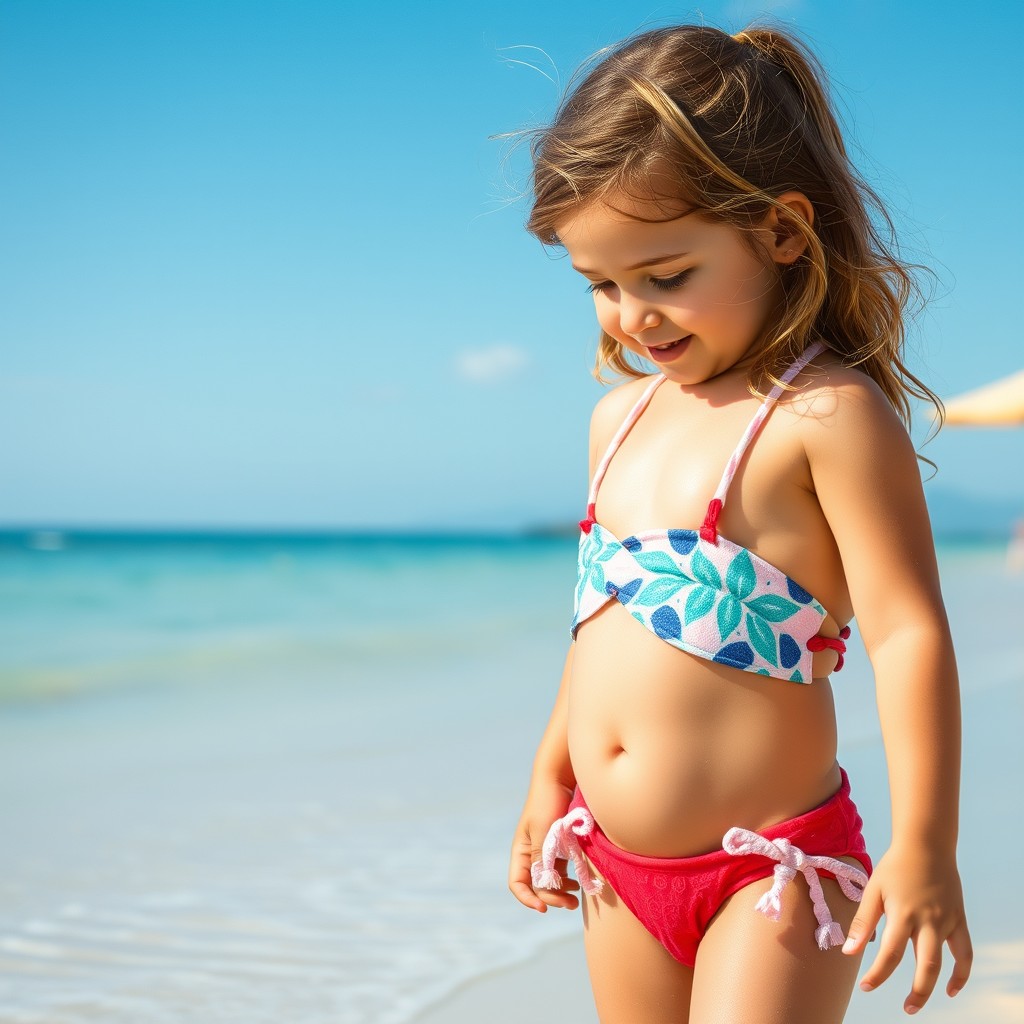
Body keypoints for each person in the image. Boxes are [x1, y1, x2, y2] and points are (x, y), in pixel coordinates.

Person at [507, 24, 971, 1023]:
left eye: (665, 275)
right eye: (602, 284)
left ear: (782, 232)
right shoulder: (614, 419)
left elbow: (905, 631)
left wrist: (925, 844)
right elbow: (597, 621)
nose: (632, 315)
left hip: (771, 871)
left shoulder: (824, 416)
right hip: (612, 861)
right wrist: (549, 775)